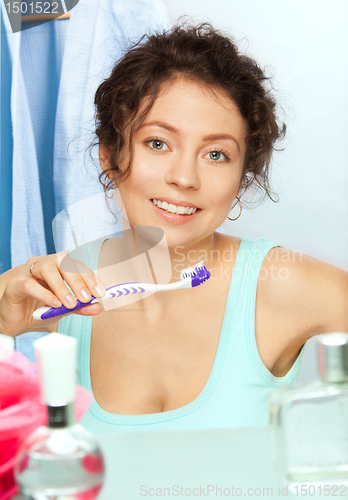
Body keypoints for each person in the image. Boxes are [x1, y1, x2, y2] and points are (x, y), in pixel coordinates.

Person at [0, 23, 347, 433]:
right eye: (158, 143)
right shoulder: (63, 287)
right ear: (110, 157)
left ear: (242, 178)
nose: (184, 178)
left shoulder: (280, 284)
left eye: (216, 154)